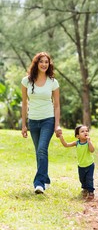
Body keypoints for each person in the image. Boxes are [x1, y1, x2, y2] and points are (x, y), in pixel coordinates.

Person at [21, 52, 62, 194]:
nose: (44, 64)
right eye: (41, 62)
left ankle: (39, 183)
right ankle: (46, 179)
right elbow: (24, 103)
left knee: (42, 150)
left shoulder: (53, 82)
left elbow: (57, 105)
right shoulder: (26, 81)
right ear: (36, 63)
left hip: (48, 120)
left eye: (47, 62)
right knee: (39, 152)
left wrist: (57, 124)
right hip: (33, 121)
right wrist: (24, 125)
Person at [58, 125, 95, 200]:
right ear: (78, 136)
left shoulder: (88, 142)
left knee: (89, 178)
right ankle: (85, 189)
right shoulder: (77, 143)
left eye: (86, 131)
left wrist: (89, 142)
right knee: (82, 179)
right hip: (81, 165)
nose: (85, 132)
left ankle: (91, 191)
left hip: (90, 164)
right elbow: (66, 145)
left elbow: (92, 150)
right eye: (82, 131)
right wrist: (61, 138)